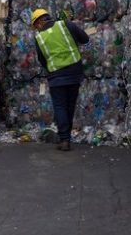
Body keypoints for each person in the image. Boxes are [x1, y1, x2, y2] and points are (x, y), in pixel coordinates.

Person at [31, 8, 89, 151]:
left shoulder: (39, 38)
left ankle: (64, 139)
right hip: (74, 71)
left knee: (60, 106)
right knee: (70, 105)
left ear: (38, 23)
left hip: (56, 75)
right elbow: (85, 39)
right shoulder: (65, 25)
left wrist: (52, 67)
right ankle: (66, 137)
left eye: (35, 26)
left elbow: (42, 60)